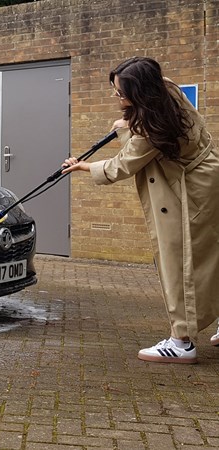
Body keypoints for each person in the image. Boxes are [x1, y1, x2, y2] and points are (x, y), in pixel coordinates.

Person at [62, 56, 219, 364]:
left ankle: (181, 342)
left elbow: (124, 164)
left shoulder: (149, 129)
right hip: (209, 180)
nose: (117, 98)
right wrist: (128, 124)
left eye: (121, 93)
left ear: (142, 93)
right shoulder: (168, 92)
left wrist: (83, 166)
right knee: (210, 254)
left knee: (179, 261)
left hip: (189, 193)